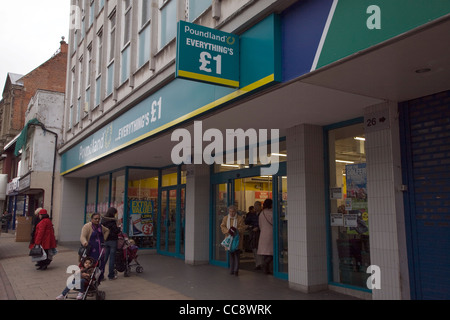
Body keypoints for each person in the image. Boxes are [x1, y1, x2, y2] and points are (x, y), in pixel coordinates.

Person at [80, 213, 110, 280]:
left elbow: (107, 230)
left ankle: (99, 278)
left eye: (99, 219)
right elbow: (82, 236)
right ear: (91, 219)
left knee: (101, 264)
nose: (97, 220)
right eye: (95, 219)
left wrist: (104, 238)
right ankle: (90, 278)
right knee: (91, 264)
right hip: (91, 250)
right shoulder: (87, 226)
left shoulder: (100, 227)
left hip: (100, 250)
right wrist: (84, 242)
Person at [220, 205, 246, 276]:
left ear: (235, 211)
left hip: (237, 239)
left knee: (237, 254)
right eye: (230, 211)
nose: (231, 213)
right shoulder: (225, 218)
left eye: (233, 211)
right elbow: (222, 226)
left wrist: (236, 230)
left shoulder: (239, 218)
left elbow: (242, 227)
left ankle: (236, 270)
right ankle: (231, 269)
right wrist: (228, 231)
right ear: (228, 211)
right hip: (229, 239)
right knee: (231, 255)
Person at [101, 207, 121, 280]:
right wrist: (119, 227)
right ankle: (111, 275)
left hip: (105, 240)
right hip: (112, 240)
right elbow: (116, 231)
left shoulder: (103, 220)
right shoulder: (113, 222)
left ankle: (101, 275)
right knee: (112, 259)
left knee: (104, 258)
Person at [257, 199, 273, 274]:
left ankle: (266, 268)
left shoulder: (261, 213)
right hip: (270, 234)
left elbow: (260, 225)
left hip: (263, 234)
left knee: (266, 253)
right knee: (272, 252)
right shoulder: (271, 213)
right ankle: (266, 265)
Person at [245, 203, 262, 270]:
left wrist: (258, 227)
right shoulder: (252, 215)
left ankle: (261, 263)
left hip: (260, 233)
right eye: (255, 206)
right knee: (254, 247)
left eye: (257, 206)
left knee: (260, 247)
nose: (255, 207)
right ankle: (258, 263)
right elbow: (246, 221)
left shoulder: (262, 214)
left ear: (260, 206)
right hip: (253, 233)